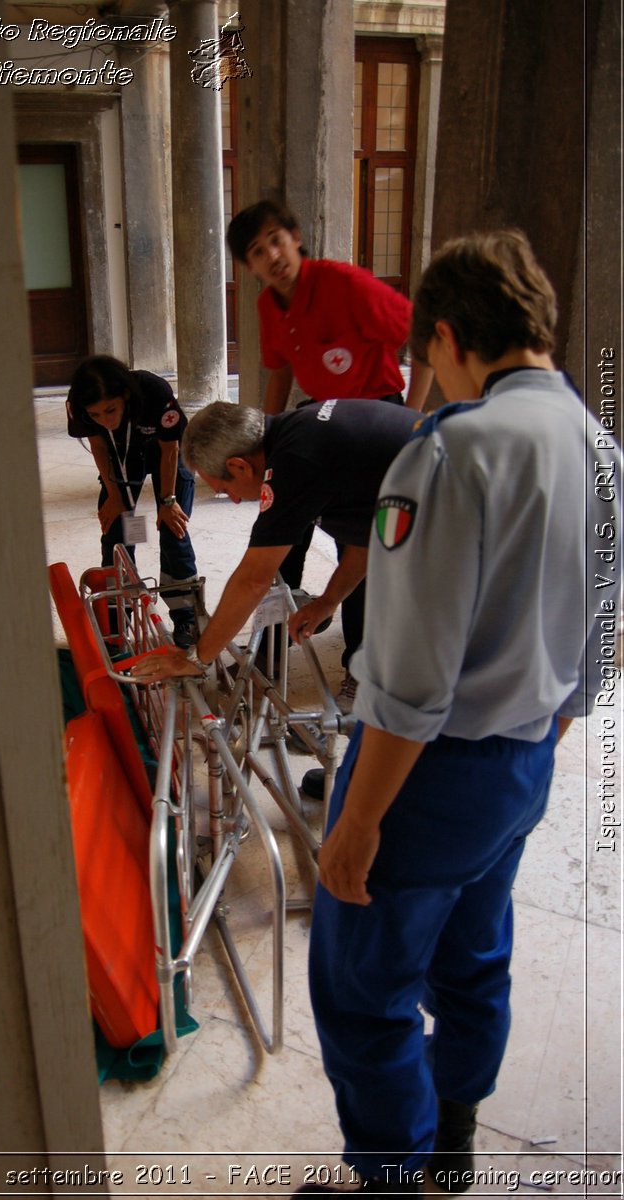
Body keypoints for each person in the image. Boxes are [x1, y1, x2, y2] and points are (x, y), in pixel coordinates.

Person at [298, 230, 622, 1196]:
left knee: (362, 990)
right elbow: (599, 642)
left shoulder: (450, 454)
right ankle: (452, 1146)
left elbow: (410, 677)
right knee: (475, 953)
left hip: (424, 774)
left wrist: (358, 822)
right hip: (523, 762)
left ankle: (391, 1177)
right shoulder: (603, 447)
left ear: (446, 337)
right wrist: (537, 740)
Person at [226, 199, 434, 712]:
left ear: (295, 237)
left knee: (364, 552)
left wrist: (410, 420)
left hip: (374, 425)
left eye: (276, 239)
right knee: (279, 538)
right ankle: (266, 656)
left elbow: (424, 340)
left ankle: (361, 670)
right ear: (249, 268)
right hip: (316, 424)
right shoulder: (268, 307)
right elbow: (279, 373)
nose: (272, 255)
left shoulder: (344, 284)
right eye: (257, 251)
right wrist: (262, 441)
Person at [129, 397, 418, 698]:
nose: (236, 500)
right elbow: (368, 533)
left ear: (239, 466)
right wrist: (330, 599)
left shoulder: (294, 462)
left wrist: (195, 659)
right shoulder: (295, 431)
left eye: (225, 489)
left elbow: (253, 579)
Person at [66, 355, 198, 648]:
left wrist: (168, 501)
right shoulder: (79, 403)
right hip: (123, 458)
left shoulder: (154, 392)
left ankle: (186, 617)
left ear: (125, 395)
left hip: (167, 452)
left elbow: (171, 450)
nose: (106, 421)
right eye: (97, 415)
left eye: (111, 410)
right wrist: (115, 496)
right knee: (119, 533)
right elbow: (99, 445)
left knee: (173, 530)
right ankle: (117, 619)